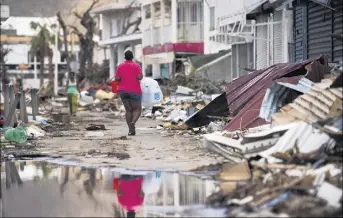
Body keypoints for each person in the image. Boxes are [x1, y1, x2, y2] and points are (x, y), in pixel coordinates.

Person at [115, 50, 143, 136]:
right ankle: (133, 122)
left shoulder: (120, 66)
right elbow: (140, 77)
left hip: (123, 91)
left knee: (128, 110)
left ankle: (131, 131)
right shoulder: (136, 66)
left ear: (125, 57)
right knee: (137, 109)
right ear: (132, 57)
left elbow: (117, 78)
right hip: (134, 90)